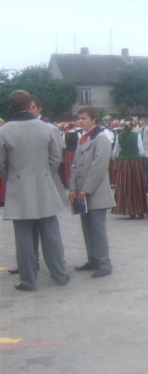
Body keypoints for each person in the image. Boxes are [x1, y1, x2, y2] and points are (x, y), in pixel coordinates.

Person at [0, 90, 70, 291]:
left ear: (10, 106)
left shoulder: (4, 131)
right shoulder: (47, 128)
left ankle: (29, 281)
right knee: (51, 235)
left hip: (19, 188)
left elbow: (1, 164)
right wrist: (44, 174)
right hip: (44, 186)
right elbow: (56, 157)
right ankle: (60, 275)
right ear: (30, 104)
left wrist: (12, 179)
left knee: (23, 239)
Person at [68, 106, 116, 278]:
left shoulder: (101, 138)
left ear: (94, 119)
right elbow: (74, 165)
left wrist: (86, 189)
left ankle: (104, 262)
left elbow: (99, 166)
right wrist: (73, 187)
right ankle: (93, 258)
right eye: (78, 118)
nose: (80, 121)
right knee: (87, 227)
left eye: (83, 118)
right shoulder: (83, 138)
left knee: (97, 228)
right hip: (82, 192)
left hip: (95, 191)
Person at [111, 117, 147, 219]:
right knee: (137, 185)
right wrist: (135, 155)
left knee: (125, 185)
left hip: (124, 162)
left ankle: (129, 209)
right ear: (132, 126)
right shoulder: (137, 135)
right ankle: (140, 210)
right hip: (135, 161)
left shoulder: (119, 136)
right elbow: (141, 151)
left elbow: (115, 151)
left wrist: (121, 156)